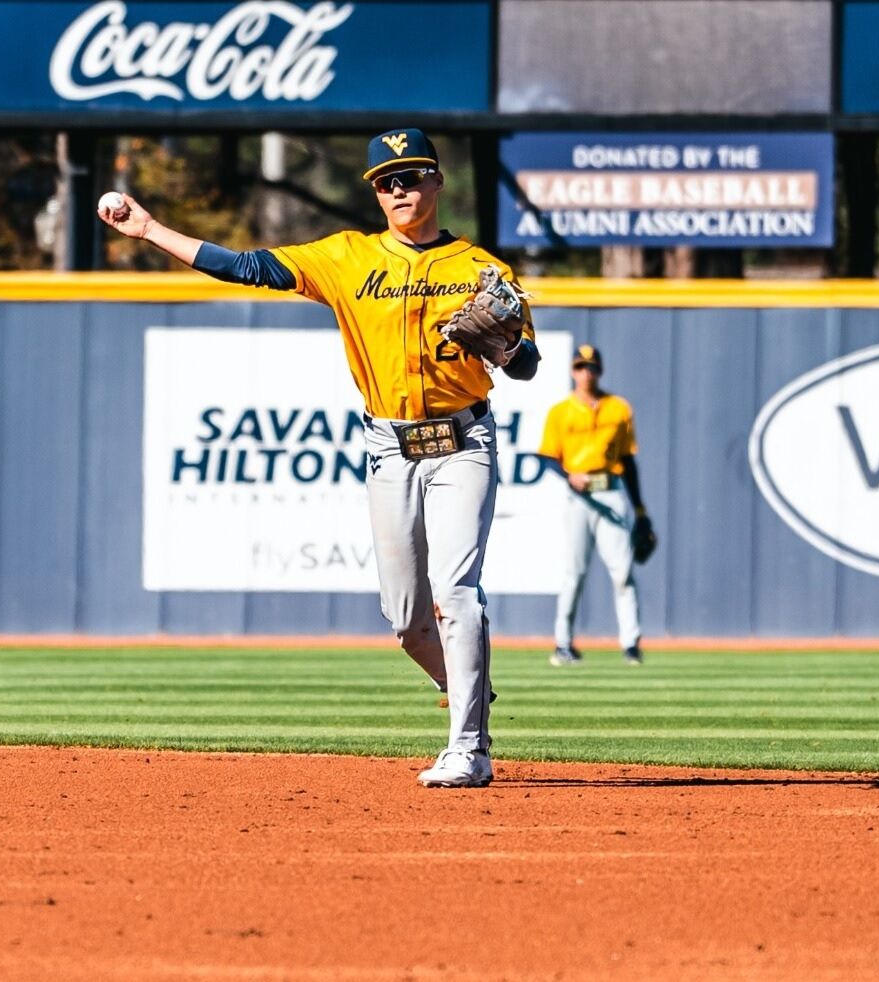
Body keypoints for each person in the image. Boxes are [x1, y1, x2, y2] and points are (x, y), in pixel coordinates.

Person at [98, 128, 539, 789]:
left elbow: (528, 366)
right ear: (374, 193)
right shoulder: (345, 257)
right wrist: (152, 229)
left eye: (412, 176)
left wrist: (506, 349)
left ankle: (469, 747)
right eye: (387, 181)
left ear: (438, 182)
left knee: (456, 593)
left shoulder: (481, 269)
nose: (400, 190)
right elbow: (246, 266)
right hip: (389, 448)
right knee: (406, 619)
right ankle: (469, 689)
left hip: (462, 443)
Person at [537, 344, 655, 666]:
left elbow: (629, 461)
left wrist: (640, 509)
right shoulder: (560, 411)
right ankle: (563, 643)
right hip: (579, 495)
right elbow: (546, 456)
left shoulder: (618, 408)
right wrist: (567, 475)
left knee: (623, 571)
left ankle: (631, 644)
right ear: (573, 371)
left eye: (591, 367)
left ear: (600, 370)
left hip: (611, 490)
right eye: (580, 366)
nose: (586, 372)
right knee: (573, 572)